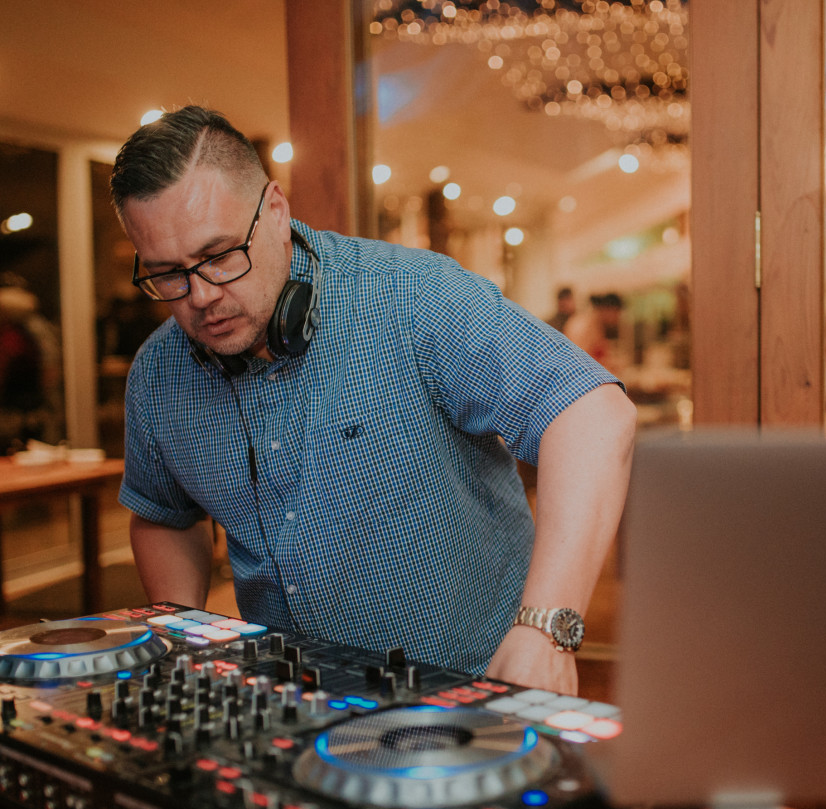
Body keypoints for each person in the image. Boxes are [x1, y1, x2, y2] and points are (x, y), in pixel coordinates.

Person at [110, 106, 635, 695]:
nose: (200, 296)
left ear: (276, 212)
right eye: (168, 274)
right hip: (294, 703)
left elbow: (592, 415)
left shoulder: (413, 296)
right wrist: (181, 641)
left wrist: (545, 631)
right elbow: (163, 515)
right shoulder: (158, 373)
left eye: (220, 255)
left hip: (474, 695)